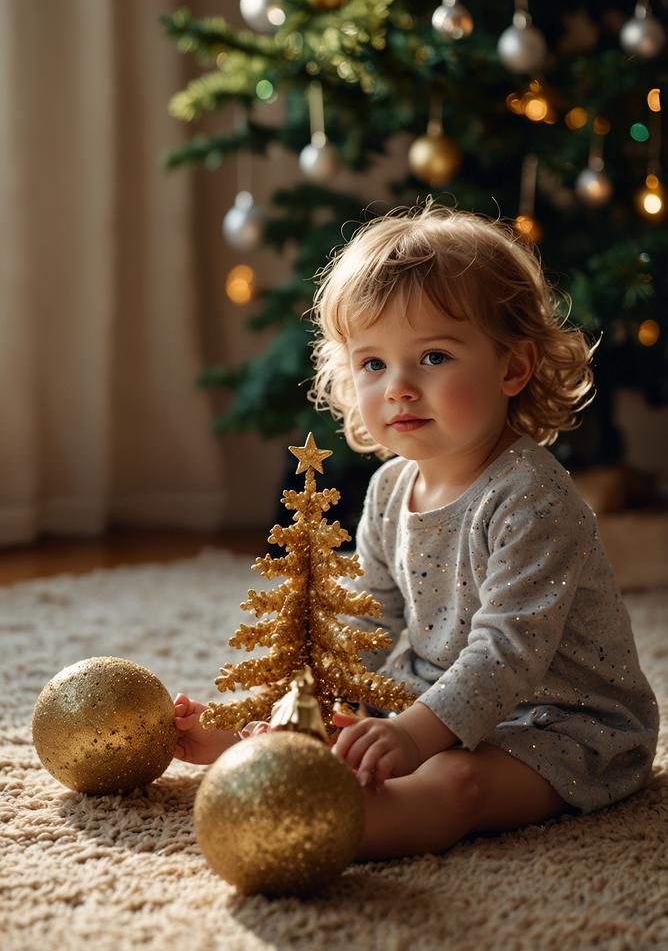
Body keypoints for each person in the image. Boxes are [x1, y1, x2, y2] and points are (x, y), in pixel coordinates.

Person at [174, 201, 659, 861]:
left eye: (432, 356)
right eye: (373, 364)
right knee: (347, 729)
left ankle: (330, 829)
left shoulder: (532, 497)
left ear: (512, 369)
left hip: (560, 724)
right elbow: (371, 625)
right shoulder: (388, 489)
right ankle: (265, 745)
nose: (397, 387)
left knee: (453, 780)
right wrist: (313, 711)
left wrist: (410, 737)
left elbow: (508, 651)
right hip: (434, 697)